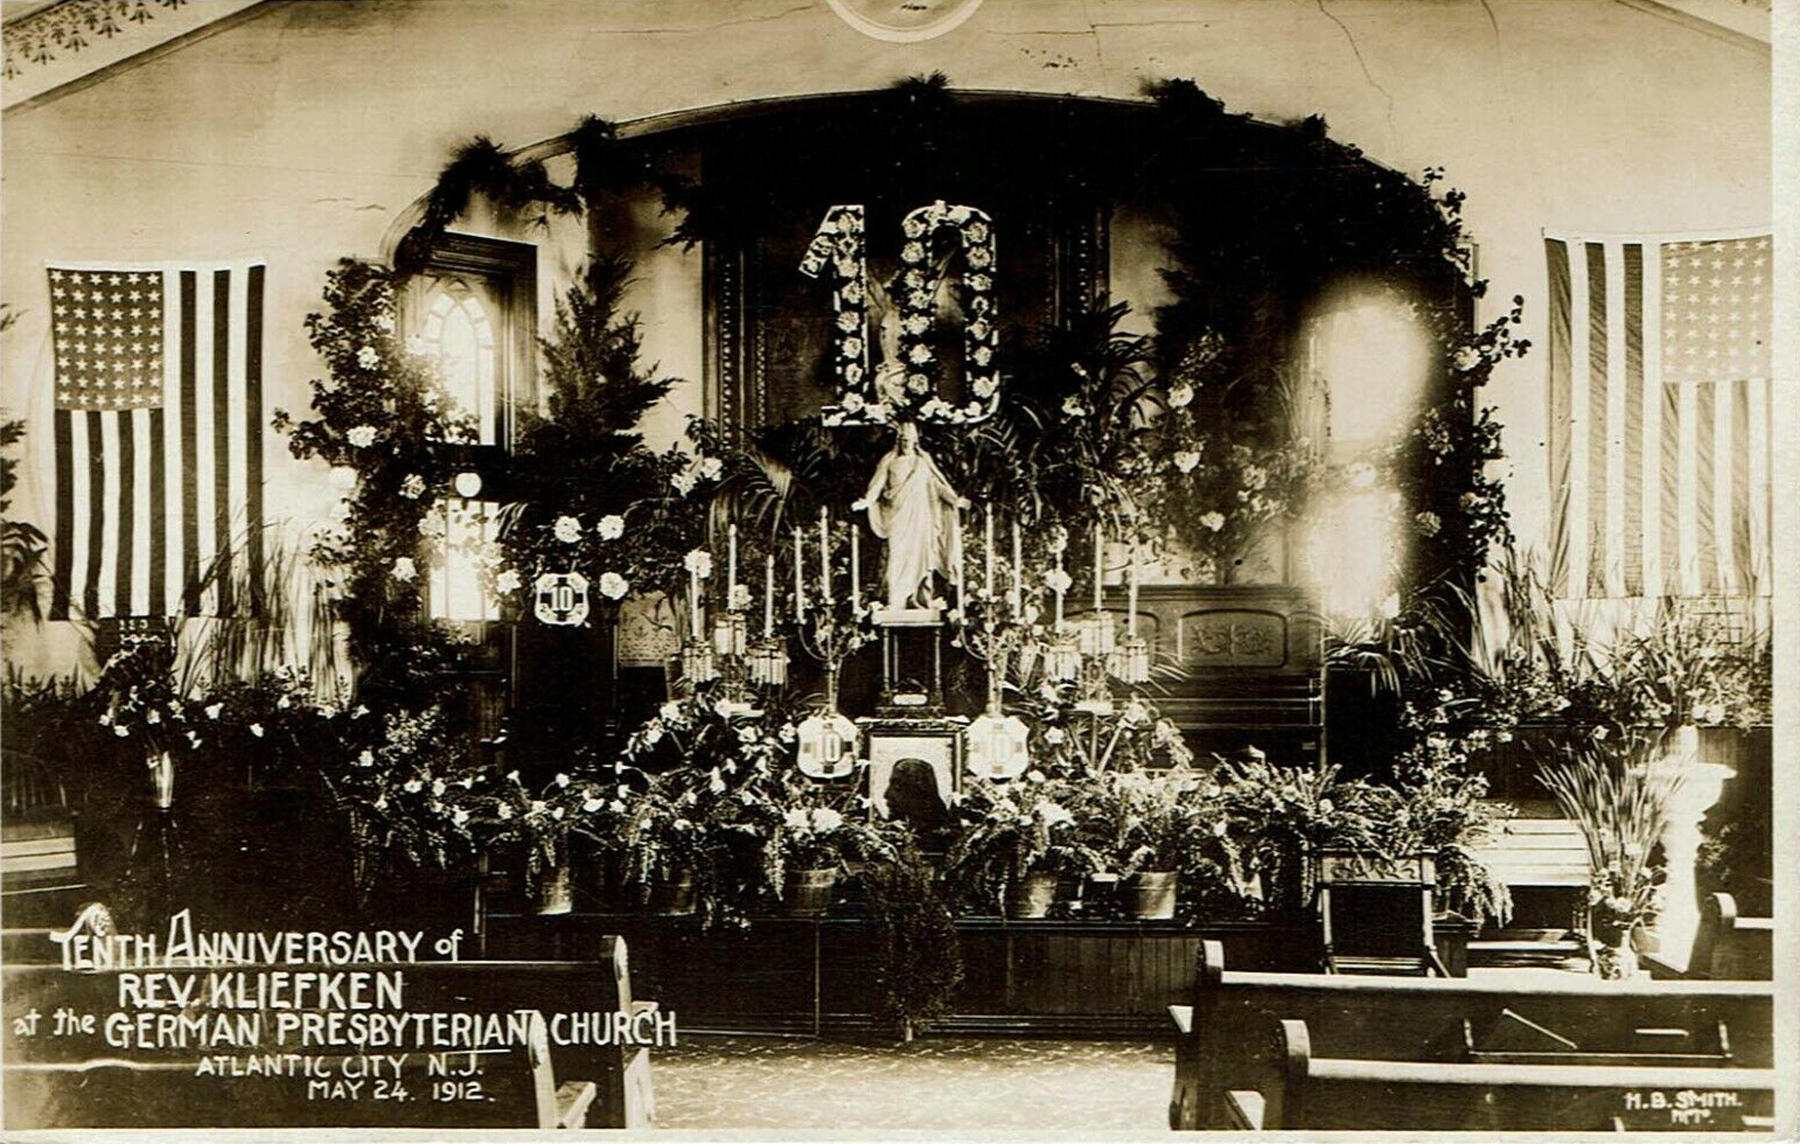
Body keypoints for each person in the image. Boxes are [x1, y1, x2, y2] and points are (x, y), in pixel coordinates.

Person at [853, 422, 968, 610]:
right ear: (898, 441)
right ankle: (896, 600)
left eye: (910, 440)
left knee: (923, 559)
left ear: (916, 441)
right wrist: (866, 502)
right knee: (897, 556)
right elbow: (877, 486)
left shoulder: (922, 463)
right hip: (898, 518)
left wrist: (955, 500)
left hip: (921, 519)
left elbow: (937, 486)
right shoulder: (889, 462)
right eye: (903, 440)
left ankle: (919, 598)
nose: (906, 443)